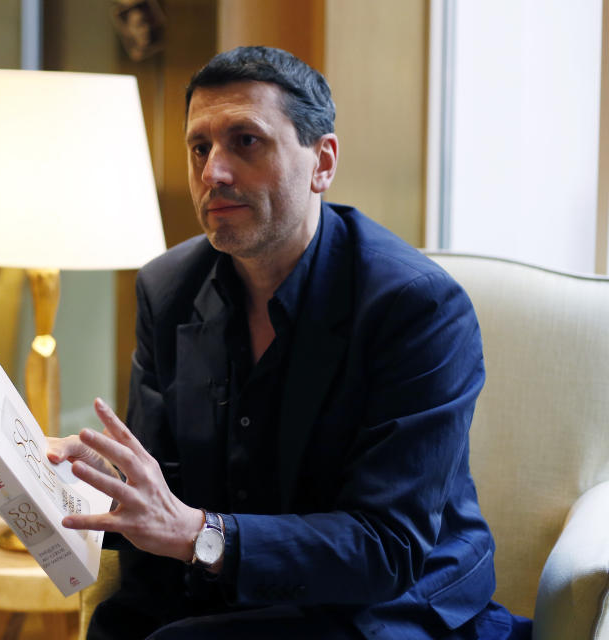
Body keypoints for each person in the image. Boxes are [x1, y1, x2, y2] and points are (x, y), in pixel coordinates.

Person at [47, 46, 532, 639]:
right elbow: (164, 482)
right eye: (200, 147)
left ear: (322, 162)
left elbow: (387, 547)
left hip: (386, 605)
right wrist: (104, 475)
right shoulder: (167, 288)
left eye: (245, 141)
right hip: (228, 591)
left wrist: (202, 533)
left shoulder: (417, 307)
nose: (212, 172)